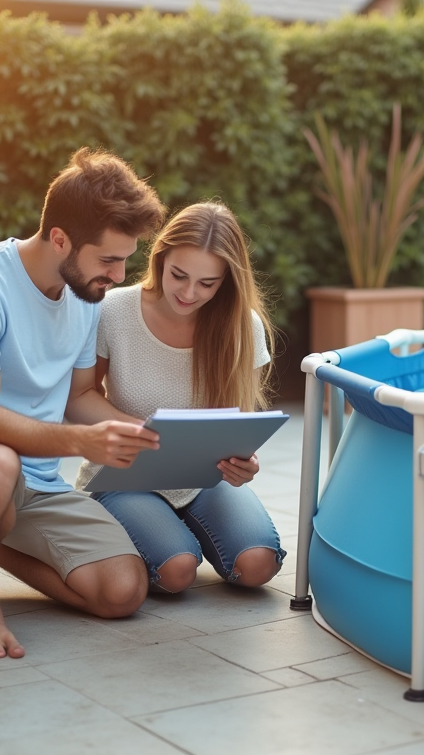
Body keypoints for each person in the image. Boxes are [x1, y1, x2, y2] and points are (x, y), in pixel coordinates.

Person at [0, 147, 168, 660]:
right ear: (60, 238)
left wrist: (155, 435)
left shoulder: (85, 296)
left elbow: (78, 398)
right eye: (108, 259)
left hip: (35, 485)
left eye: (125, 259)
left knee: (122, 592)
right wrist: (78, 441)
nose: (119, 274)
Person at [74, 201, 285, 593]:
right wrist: (148, 434)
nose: (189, 293)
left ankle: (177, 525)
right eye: (179, 275)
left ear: (227, 281)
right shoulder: (114, 311)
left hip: (202, 479)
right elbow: (79, 397)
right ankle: (162, 531)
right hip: (126, 474)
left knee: (258, 565)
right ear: (160, 257)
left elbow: (234, 424)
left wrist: (244, 463)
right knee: (177, 570)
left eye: (208, 283)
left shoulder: (243, 327)